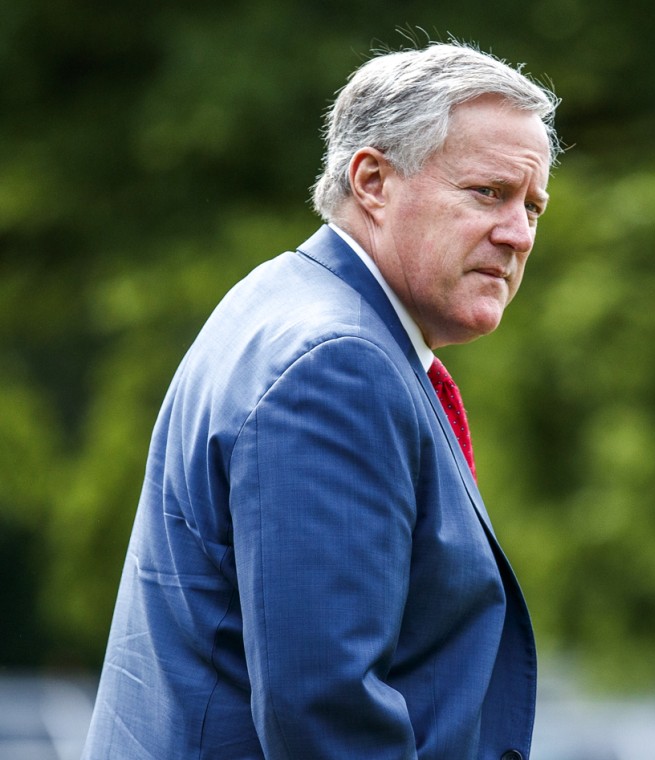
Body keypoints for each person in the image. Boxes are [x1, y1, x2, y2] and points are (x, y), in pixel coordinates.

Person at [83, 41, 559, 760]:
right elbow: (327, 718)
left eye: (532, 206)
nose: (518, 233)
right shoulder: (337, 365)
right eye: (488, 193)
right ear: (372, 180)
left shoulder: (288, 302)